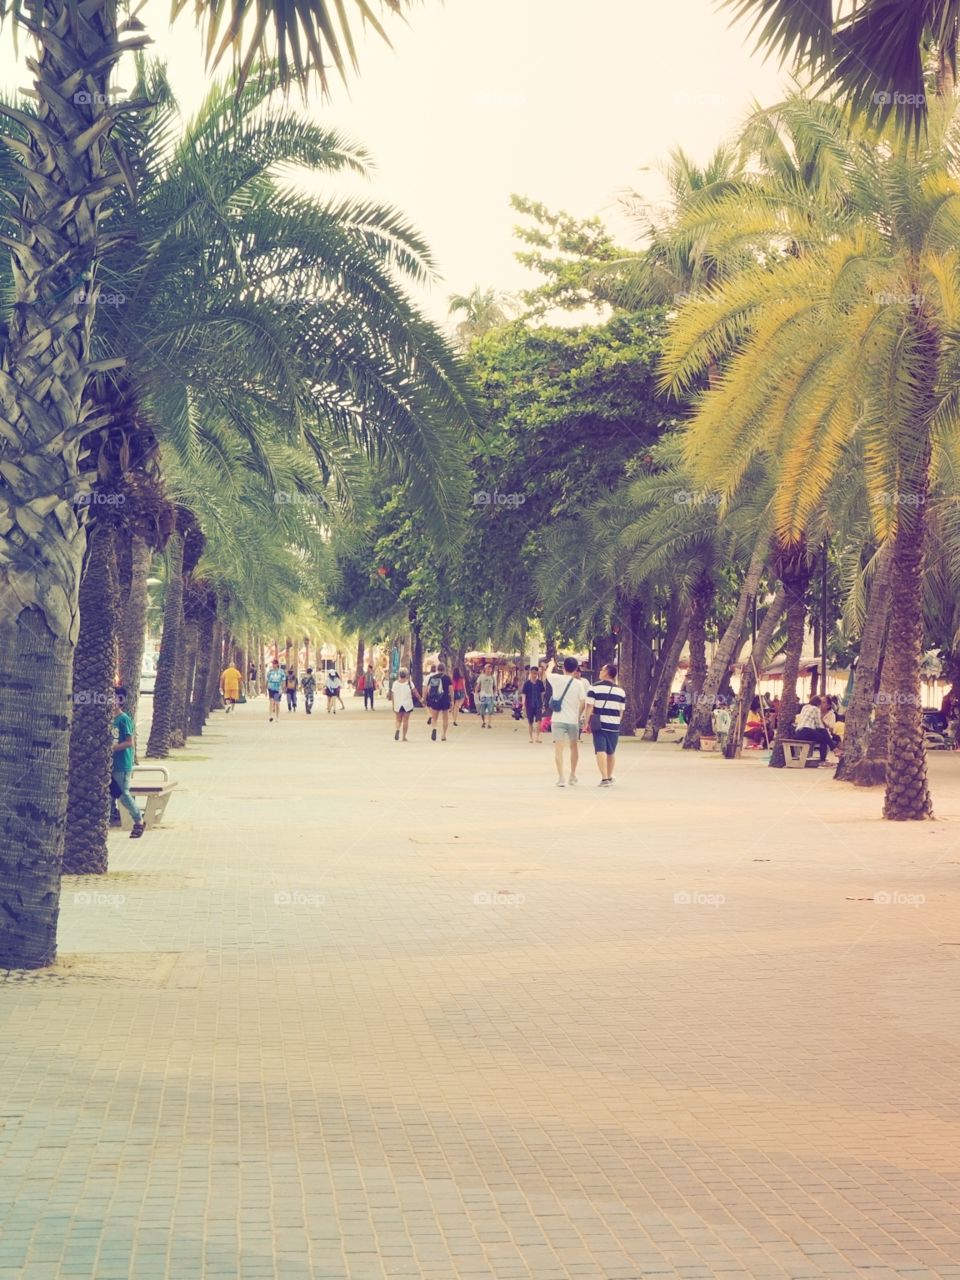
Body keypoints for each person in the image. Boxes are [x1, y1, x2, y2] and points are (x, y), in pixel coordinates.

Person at [545, 657, 587, 787]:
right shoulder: (579, 684)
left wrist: (551, 665)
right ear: (575, 670)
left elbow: (547, 674)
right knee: (574, 747)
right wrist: (578, 715)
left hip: (558, 719)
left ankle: (561, 777)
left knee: (558, 749)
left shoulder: (556, 679)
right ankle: (572, 775)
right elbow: (583, 702)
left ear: (563, 668)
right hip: (572, 720)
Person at [585, 662, 626, 786]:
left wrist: (586, 722)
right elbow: (621, 711)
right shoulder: (621, 691)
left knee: (600, 750)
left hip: (599, 724)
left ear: (607, 673)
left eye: (602, 670)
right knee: (611, 752)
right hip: (614, 725)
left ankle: (604, 778)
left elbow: (589, 706)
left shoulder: (593, 688)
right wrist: (617, 722)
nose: (600, 672)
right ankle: (609, 776)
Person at [111, 687, 145, 838]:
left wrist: (113, 748)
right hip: (110, 764)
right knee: (111, 794)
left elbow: (129, 742)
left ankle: (138, 821)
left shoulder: (123, 719)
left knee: (123, 794)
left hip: (122, 764)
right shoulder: (109, 719)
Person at [793, 693, 833, 762]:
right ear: (818, 704)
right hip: (807, 731)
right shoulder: (816, 709)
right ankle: (823, 760)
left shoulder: (805, 707)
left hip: (798, 732)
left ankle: (833, 748)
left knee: (823, 735)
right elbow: (819, 725)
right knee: (824, 738)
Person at [424, 662, 453, 741]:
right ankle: (443, 735)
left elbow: (428, 689)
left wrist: (429, 698)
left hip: (435, 699)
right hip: (445, 699)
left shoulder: (432, 677)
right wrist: (452, 701)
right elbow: (451, 690)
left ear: (437, 669)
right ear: (444, 669)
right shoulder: (447, 678)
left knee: (434, 718)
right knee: (445, 718)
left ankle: (434, 728)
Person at [390, 667, 421, 740]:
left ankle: (397, 729)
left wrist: (393, 705)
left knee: (398, 719)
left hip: (398, 704)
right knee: (405, 720)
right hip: (407, 704)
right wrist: (420, 699)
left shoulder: (395, 683)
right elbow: (415, 691)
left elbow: (392, 694)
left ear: (399, 674)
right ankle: (404, 736)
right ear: (406, 674)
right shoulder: (409, 683)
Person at [521, 665, 546, 743]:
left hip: (538, 705)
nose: (534, 675)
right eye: (533, 673)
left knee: (539, 721)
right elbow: (523, 694)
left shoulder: (540, 683)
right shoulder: (527, 684)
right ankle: (531, 738)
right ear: (530, 673)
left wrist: (543, 704)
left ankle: (537, 737)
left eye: (536, 673)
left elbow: (542, 694)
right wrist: (523, 704)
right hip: (529, 705)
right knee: (530, 722)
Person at [475, 663, 497, 728]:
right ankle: (484, 722)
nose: (489, 669)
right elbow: (478, 685)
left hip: (490, 696)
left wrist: (495, 693)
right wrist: (476, 692)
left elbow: (495, 686)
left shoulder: (493, 677)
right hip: (483, 696)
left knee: (490, 710)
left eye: (490, 668)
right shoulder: (481, 676)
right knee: (482, 712)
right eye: (487, 668)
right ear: (485, 669)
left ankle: (489, 724)